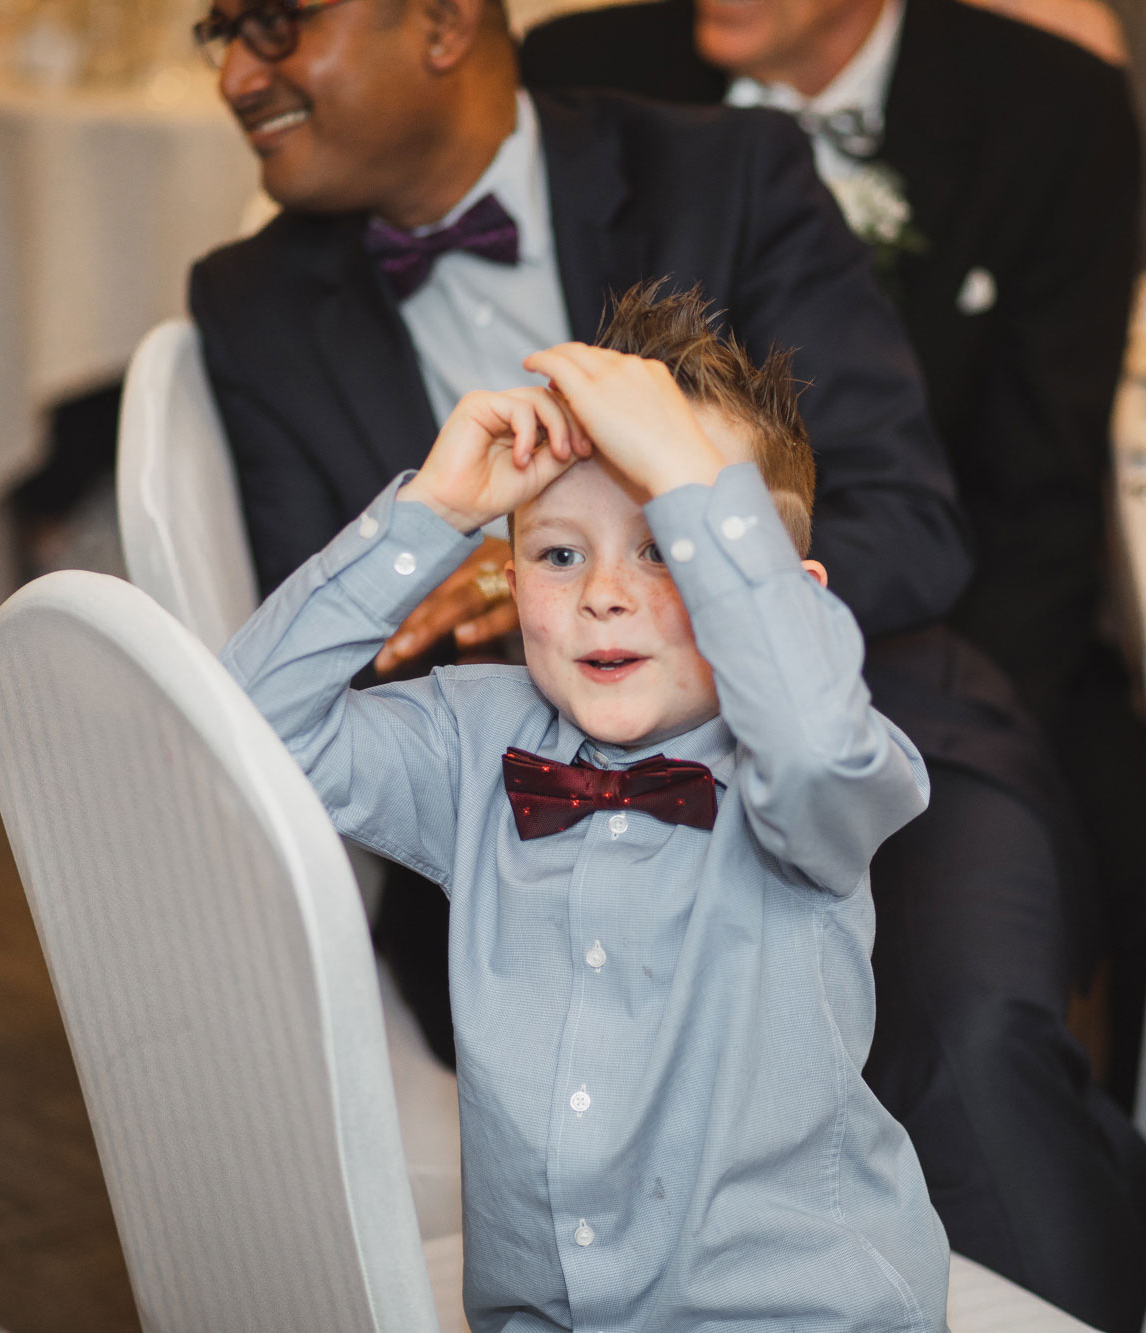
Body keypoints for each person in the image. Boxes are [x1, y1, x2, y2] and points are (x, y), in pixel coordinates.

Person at [189, 0, 1146, 1325]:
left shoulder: (726, 168)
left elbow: (903, 518)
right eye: (218, 32)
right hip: (510, 779)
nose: (238, 72)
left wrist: (707, 526)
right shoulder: (246, 301)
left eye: (279, 22)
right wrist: (432, 525)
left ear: (441, 22)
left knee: (975, 1044)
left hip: (855, 687)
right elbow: (262, 720)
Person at [221, 285, 952, 1331]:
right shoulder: (473, 741)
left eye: (666, 548)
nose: (603, 593)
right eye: (559, 554)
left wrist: (696, 485)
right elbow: (239, 732)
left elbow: (816, 738)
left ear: (787, 593)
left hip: (795, 1312)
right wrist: (429, 515)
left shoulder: (803, 765)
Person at [519, 0, 1146, 1107]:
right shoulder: (578, 72)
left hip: (947, 629)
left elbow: (1041, 497)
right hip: (642, 660)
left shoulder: (1056, 107)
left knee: (1115, 879)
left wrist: (904, 721)